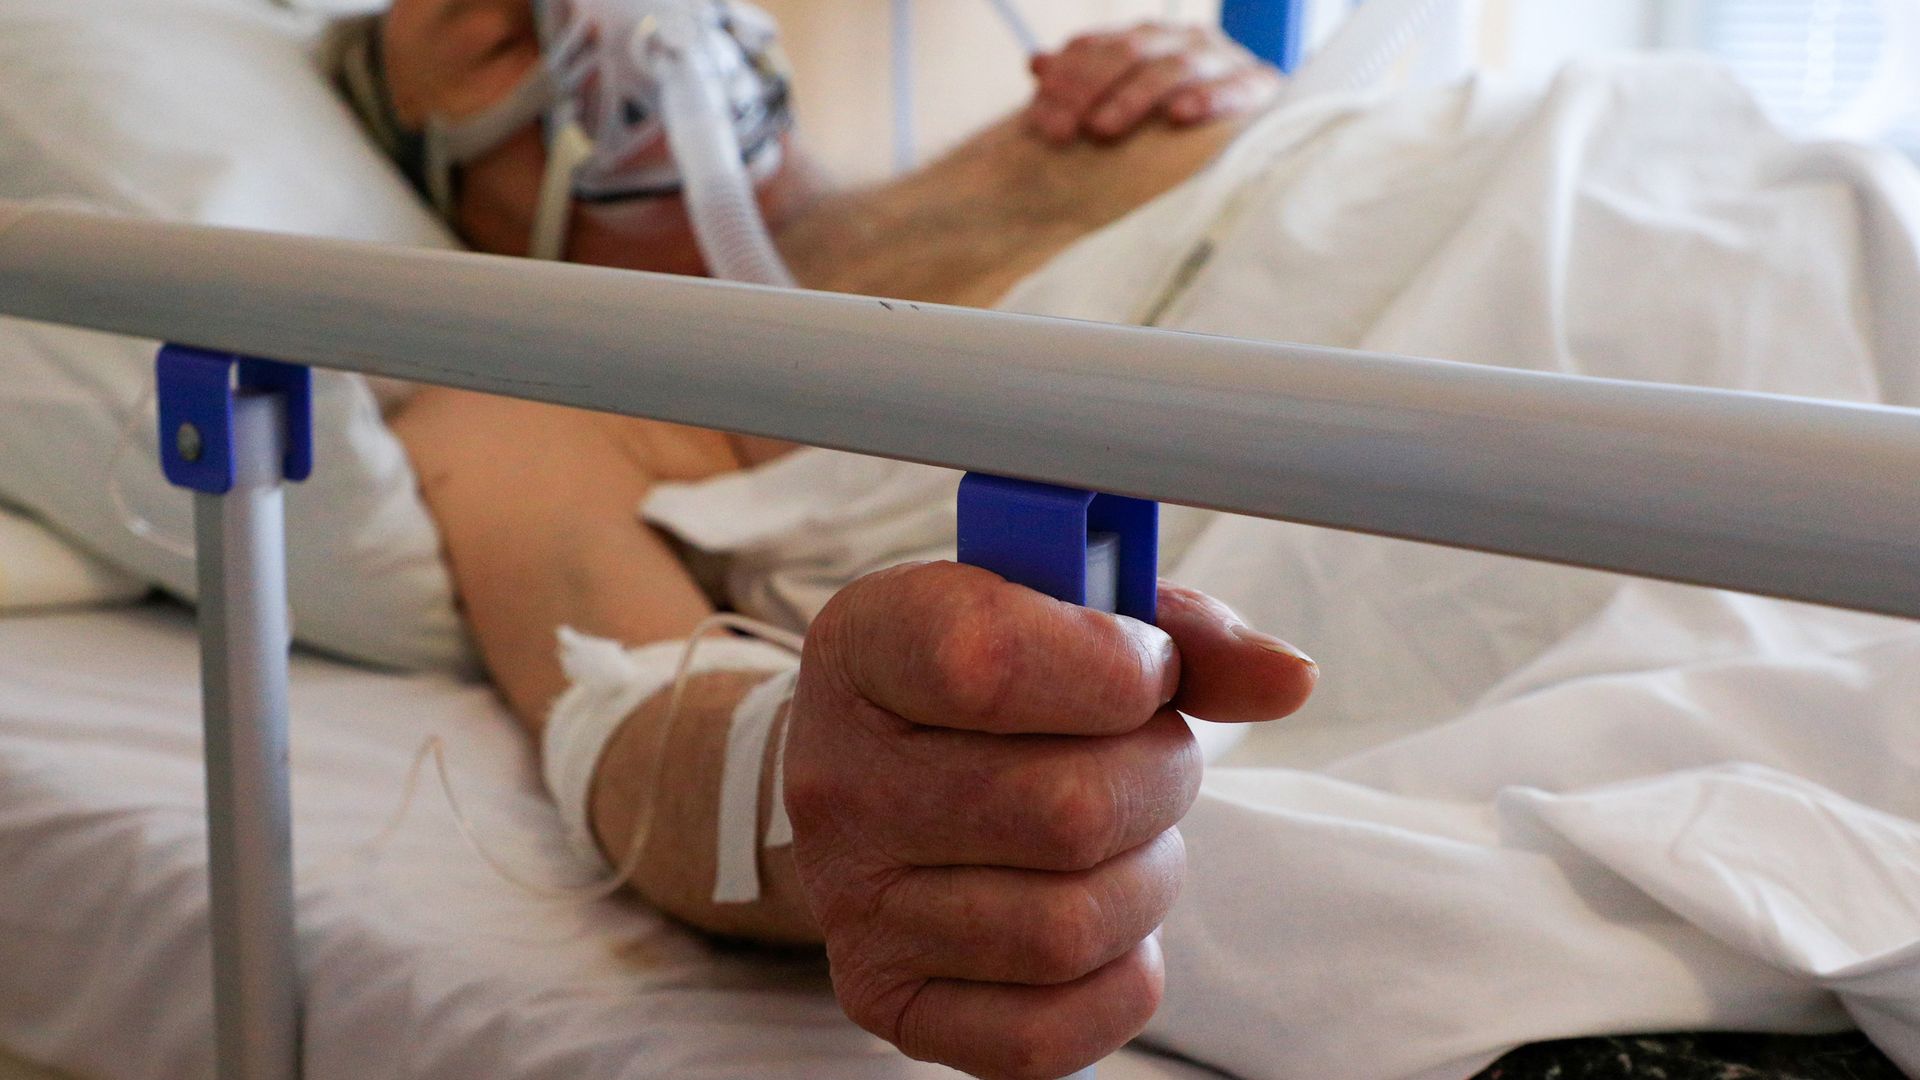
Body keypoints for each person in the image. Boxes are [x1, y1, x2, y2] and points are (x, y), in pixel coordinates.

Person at [338, 2, 1315, 1077]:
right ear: (444, 180)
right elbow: (635, 724)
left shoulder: (1047, 128)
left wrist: (1232, 85)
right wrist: (830, 792)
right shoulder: (531, 403)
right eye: (493, 35)